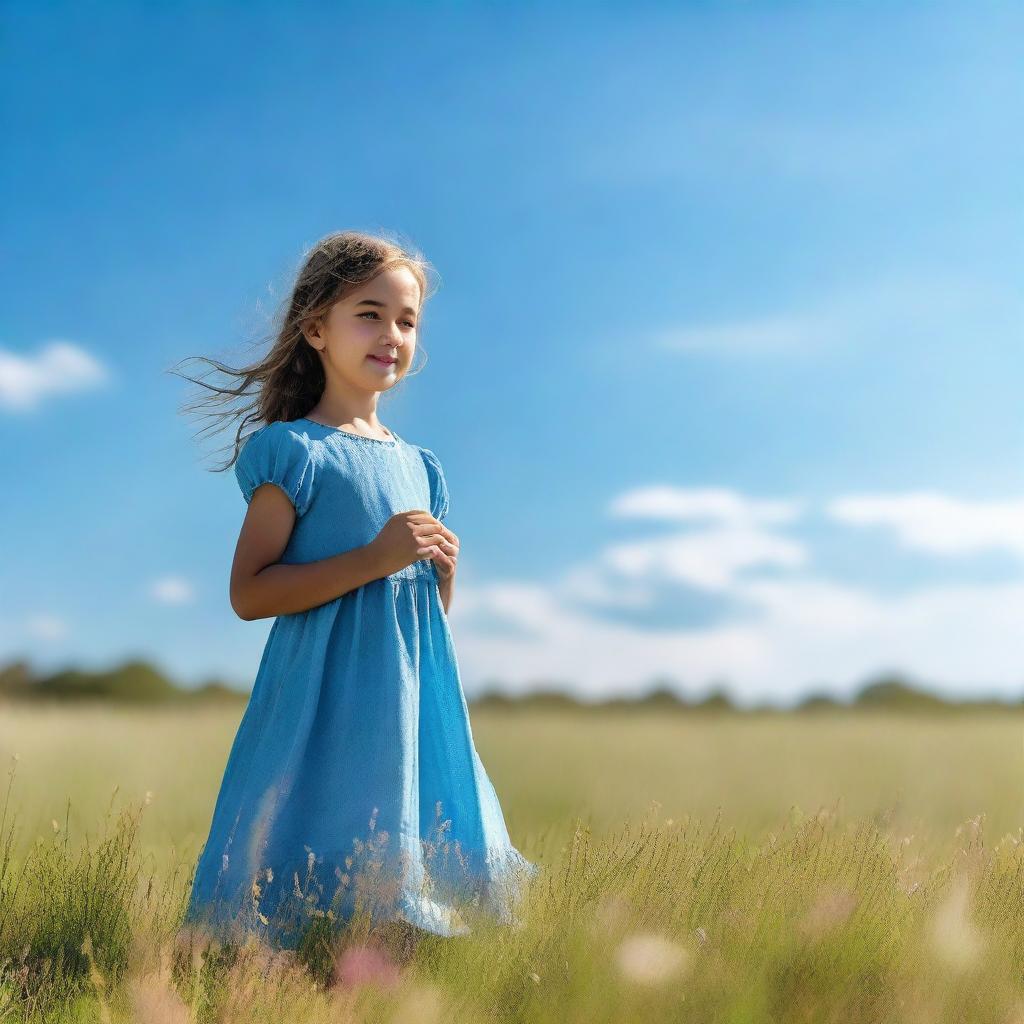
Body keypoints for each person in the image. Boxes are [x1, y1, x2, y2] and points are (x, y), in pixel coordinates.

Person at [171, 229, 537, 951]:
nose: (392, 334)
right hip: (321, 701)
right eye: (369, 313)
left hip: (403, 706)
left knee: (399, 853)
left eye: (407, 321)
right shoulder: (294, 451)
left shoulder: (422, 468)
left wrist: (442, 577)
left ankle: (378, 968)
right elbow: (249, 591)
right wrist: (376, 556)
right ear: (316, 328)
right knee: (311, 842)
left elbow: (421, 620)